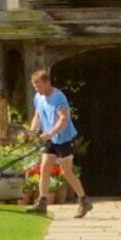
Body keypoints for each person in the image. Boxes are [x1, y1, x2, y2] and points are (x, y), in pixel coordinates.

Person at [27, 71, 88, 217]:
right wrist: (31, 131)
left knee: (66, 171)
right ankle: (42, 202)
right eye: (35, 87)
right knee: (44, 167)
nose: (37, 90)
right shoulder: (38, 97)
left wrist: (50, 133)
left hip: (64, 139)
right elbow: (37, 115)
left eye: (39, 86)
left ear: (48, 83)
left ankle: (84, 201)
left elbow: (63, 119)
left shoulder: (59, 98)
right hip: (51, 139)